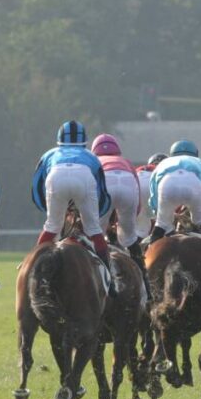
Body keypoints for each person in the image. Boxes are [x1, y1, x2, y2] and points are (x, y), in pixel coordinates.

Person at [31, 120, 115, 293]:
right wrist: (96, 213)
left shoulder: (49, 154)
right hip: (83, 178)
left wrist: (48, 210)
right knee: (93, 229)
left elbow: (37, 187)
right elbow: (102, 192)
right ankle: (109, 280)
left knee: (52, 226)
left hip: (56, 177)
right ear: (84, 139)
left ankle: (32, 269)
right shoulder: (91, 156)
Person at [91, 133, 151, 296]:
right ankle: (146, 288)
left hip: (106, 184)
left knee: (94, 238)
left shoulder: (93, 162)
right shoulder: (126, 162)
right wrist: (131, 217)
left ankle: (96, 282)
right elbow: (137, 196)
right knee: (130, 240)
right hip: (127, 185)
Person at [148, 140, 201, 248]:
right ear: (195, 153)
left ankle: (145, 259)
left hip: (167, 184)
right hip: (193, 184)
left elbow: (153, 194)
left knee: (161, 224)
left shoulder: (163, 163)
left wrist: (159, 213)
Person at [135, 152, 167, 238]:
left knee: (140, 227)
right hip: (154, 187)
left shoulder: (142, 169)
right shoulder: (166, 171)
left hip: (134, 185)